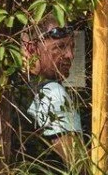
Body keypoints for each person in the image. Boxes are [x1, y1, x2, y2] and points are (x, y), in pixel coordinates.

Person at [23, 24, 83, 163]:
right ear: (32, 49)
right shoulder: (53, 92)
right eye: (60, 47)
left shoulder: (14, 87)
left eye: (72, 47)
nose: (70, 55)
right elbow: (77, 163)